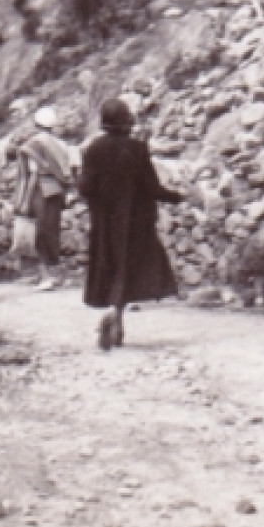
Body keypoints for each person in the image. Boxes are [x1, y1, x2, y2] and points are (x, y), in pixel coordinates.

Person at [79, 97, 188, 351]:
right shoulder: (138, 149)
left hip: (105, 223)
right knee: (129, 269)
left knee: (111, 267)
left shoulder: (92, 150)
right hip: (135, 223)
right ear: (126, 121)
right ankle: (116, 316)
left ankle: (114, 316)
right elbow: (151, 188)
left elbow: (85, 188)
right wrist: (177, 196)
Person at [14, 106, 78, 291]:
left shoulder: (32, 145)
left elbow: (34, 173)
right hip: (57, 192)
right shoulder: (61, 144)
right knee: (52, 232)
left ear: (36, 124)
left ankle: (46, 277)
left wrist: (24, 199)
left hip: (41, 191)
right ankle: (53, 274)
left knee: (40, 234)